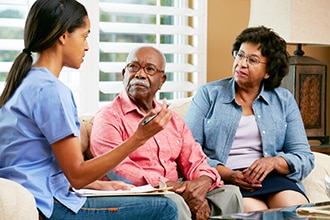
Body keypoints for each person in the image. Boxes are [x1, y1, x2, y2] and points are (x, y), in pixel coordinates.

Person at [0, 1, 178, 219]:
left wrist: (99, 185)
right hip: (47, 205)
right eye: (84, 36)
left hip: (33, 195)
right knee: (166, 208)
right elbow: (76, 175)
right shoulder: (51, 91)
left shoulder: (23, 83)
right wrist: (139, 137)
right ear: (64, 36)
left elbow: (39, 164)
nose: (87, 46)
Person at [90, 46, 244, 220]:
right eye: (133, 67)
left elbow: (196, 159)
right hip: (137, 194)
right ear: (123, 73)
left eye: (149, 69)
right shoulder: (108, 117)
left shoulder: (171, 119)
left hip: (175, 189)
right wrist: (170, 187)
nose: (140, 74)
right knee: (173, 202)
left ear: (162, 80)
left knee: (230, 194)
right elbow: (117, 169)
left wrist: (202, 183)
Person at [184, 26, 315, 212]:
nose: (241, 64)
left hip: (272, 178)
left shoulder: (284, 100)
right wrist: (228, 174)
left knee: (294, 209)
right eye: (240, 55)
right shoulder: (209, 94)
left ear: (268, 71)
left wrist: (274, 162)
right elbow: (188, 151)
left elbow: (304, 156)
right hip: (227, 180)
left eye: (252, 60)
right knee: (255, 212)